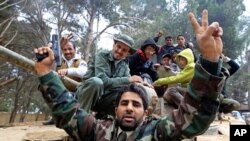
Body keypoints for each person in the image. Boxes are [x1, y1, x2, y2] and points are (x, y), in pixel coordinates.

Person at [34, 9, 226, 140]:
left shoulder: (156, 133)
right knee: (95, 82)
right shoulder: (99, 132)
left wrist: (210, 61)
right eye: (125, 104)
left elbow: (192, 118)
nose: (129, 108)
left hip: (108, 98)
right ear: (116, 110)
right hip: (92, 94)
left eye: (136, 104)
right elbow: (68, 112)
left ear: (146, 113)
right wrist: (45, 72)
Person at [43, 34, 87, 125]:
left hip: (77, 92)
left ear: (75, 49)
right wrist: (54, 45)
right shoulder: (57, 61)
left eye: (70, 49)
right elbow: (46, 59)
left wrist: (67, 71)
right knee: (46, 87)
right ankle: (55, 117)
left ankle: (77, 119)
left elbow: (83, 72)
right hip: (61, 91)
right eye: (65, 49)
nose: (67, 52)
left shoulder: (81, 62)